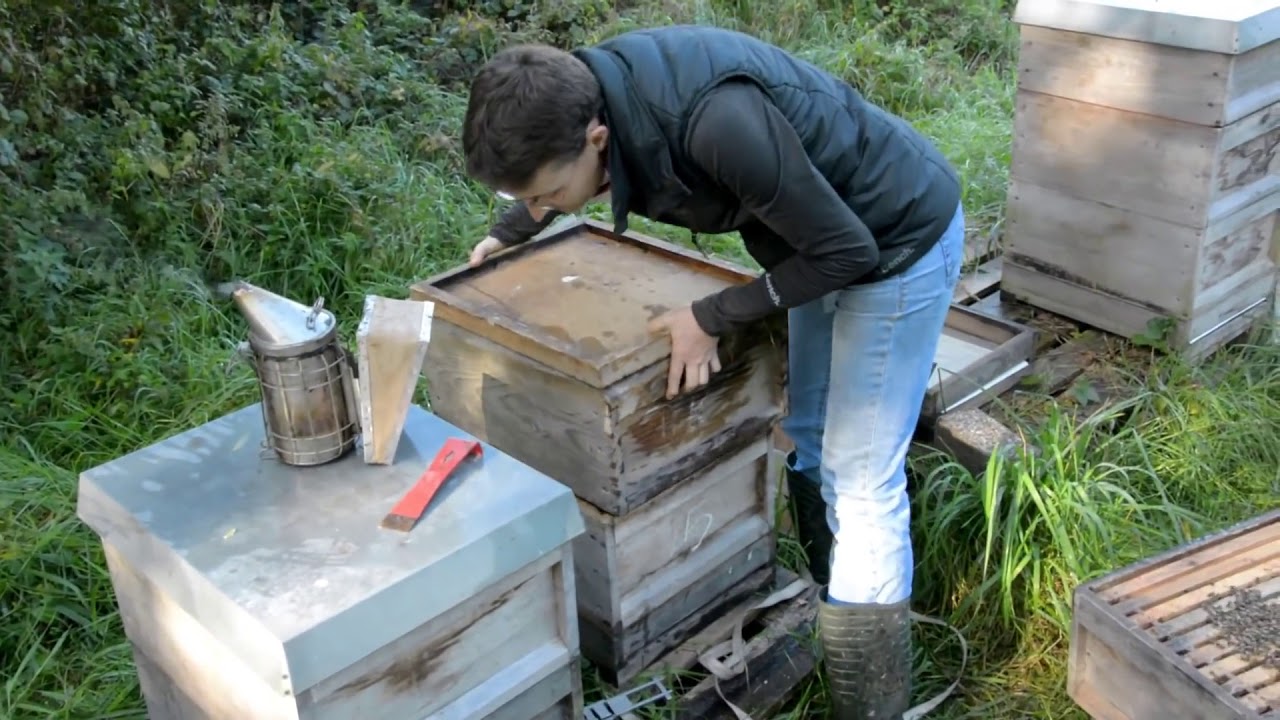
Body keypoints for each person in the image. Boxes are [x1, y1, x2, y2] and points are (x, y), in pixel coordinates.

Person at [460, 24, 963, 720]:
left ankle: (870, 700)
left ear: (596, 139)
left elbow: (849, 251)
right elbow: (823, 247)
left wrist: (714, 314)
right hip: (817, 240)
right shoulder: (587, 94)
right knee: (811, 433)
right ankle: (836, 603)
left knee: (861, 477)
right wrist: (512, 231)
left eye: (548, 195)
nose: (543, 208)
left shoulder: (716, 124)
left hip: (896, 243)